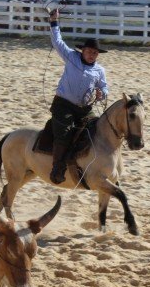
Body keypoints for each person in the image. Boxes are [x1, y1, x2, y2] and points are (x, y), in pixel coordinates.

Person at [38, 9, 109, 184]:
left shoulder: (100, 70)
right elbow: (57, 41)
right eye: (89, 51)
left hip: (85, 109)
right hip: (63, 105)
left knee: (97, 130)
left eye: (95, 53)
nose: (92, 55)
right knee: (64, 133)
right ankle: (57, 168)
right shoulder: (71, 57)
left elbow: (104, 88)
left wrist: (101, 94)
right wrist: (54, 22)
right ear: (83, 50)